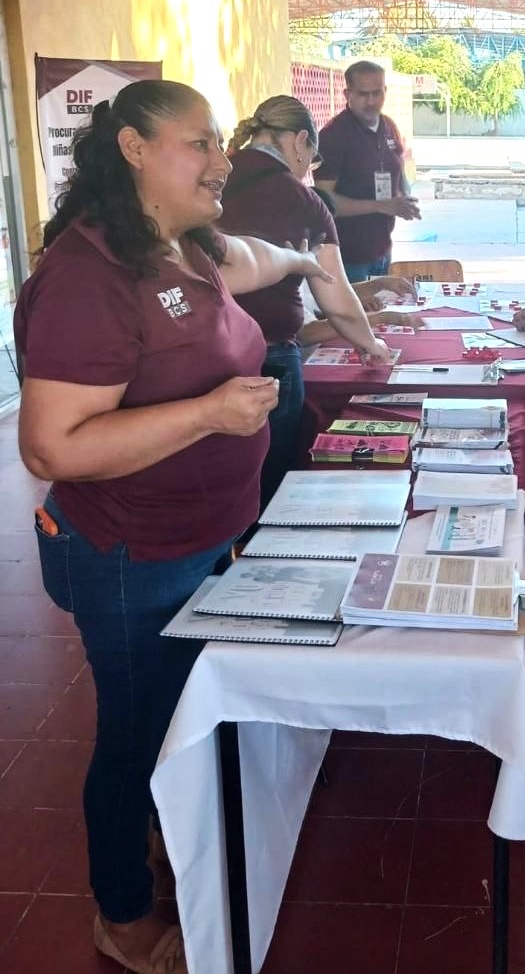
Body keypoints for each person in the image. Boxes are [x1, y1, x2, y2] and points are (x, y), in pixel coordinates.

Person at [14, 79, 347, 974]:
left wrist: (311, 262)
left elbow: (255, 256)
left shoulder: (183, 244)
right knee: (137, 727)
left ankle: (172, 833)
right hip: (132, 552)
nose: (221, 158)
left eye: (217, 141)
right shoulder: (88, 278)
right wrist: (207, 415)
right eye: (197, 143)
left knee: (181, 712)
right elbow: (50, 446)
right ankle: (120, 912)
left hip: (208, 537)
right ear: (131, 148)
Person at [218, 95, 393, 506]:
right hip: (269, 360)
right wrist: (373, 346)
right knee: (268, 480)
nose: (308, 170)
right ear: (300, 141)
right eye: (311, 158)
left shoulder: (212, 180)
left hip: (203, 354)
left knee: (216, 476)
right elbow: (336, 298)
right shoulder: (302, 200)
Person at [313, 60, 420, 281]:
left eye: (377, 93)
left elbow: (398, 169)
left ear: (385, 91)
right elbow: (325, 200)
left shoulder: (389, 126)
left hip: (382, 248)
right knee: (361, 315)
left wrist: (405, 197)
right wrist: (383, 206)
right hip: (347, 255)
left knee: (386, 312)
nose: (371, 101)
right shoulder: (334, 135)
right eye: (363, 94)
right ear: (347, 94)